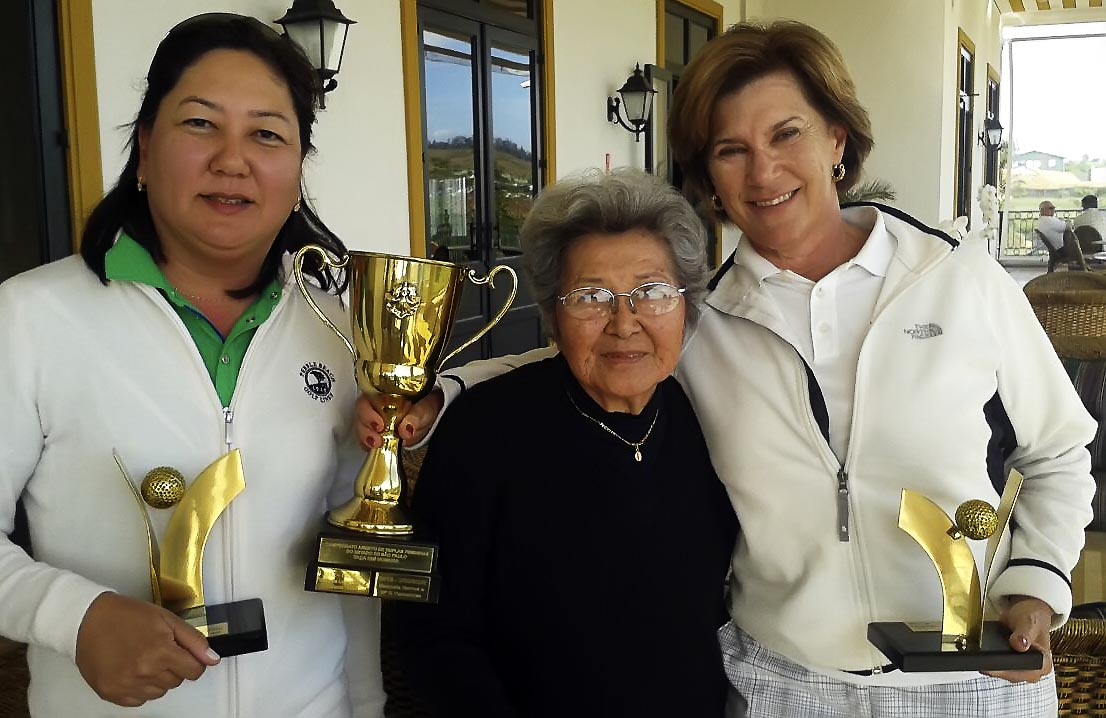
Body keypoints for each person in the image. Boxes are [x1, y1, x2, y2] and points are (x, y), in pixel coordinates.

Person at [359, 20, 1096, 718]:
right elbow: (583, 353)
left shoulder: (959, 279)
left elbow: (1059, 448)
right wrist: (434, 393)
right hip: (782, 680)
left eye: (787, 134)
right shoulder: (702, 317)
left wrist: (1037, 583)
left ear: (837, 139)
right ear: (708, 176)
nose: (763, 170)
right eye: (729, 149)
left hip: (969, 676)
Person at [0, 13, 385, 717]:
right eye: (200, 125)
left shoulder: (341, 321)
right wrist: (74, 616)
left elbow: (347, 542)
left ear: (298, 170)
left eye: (267, 134)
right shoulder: (29, 317)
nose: (232, 160)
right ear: (144, 150)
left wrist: (366, 705)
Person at [395, 169, 738, 717]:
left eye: (650, 292)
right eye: (590, 296)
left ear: (686, 307)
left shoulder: (712, 419)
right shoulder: (484, 433)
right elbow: (432, 635)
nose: (624, 323)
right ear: (552, 316)